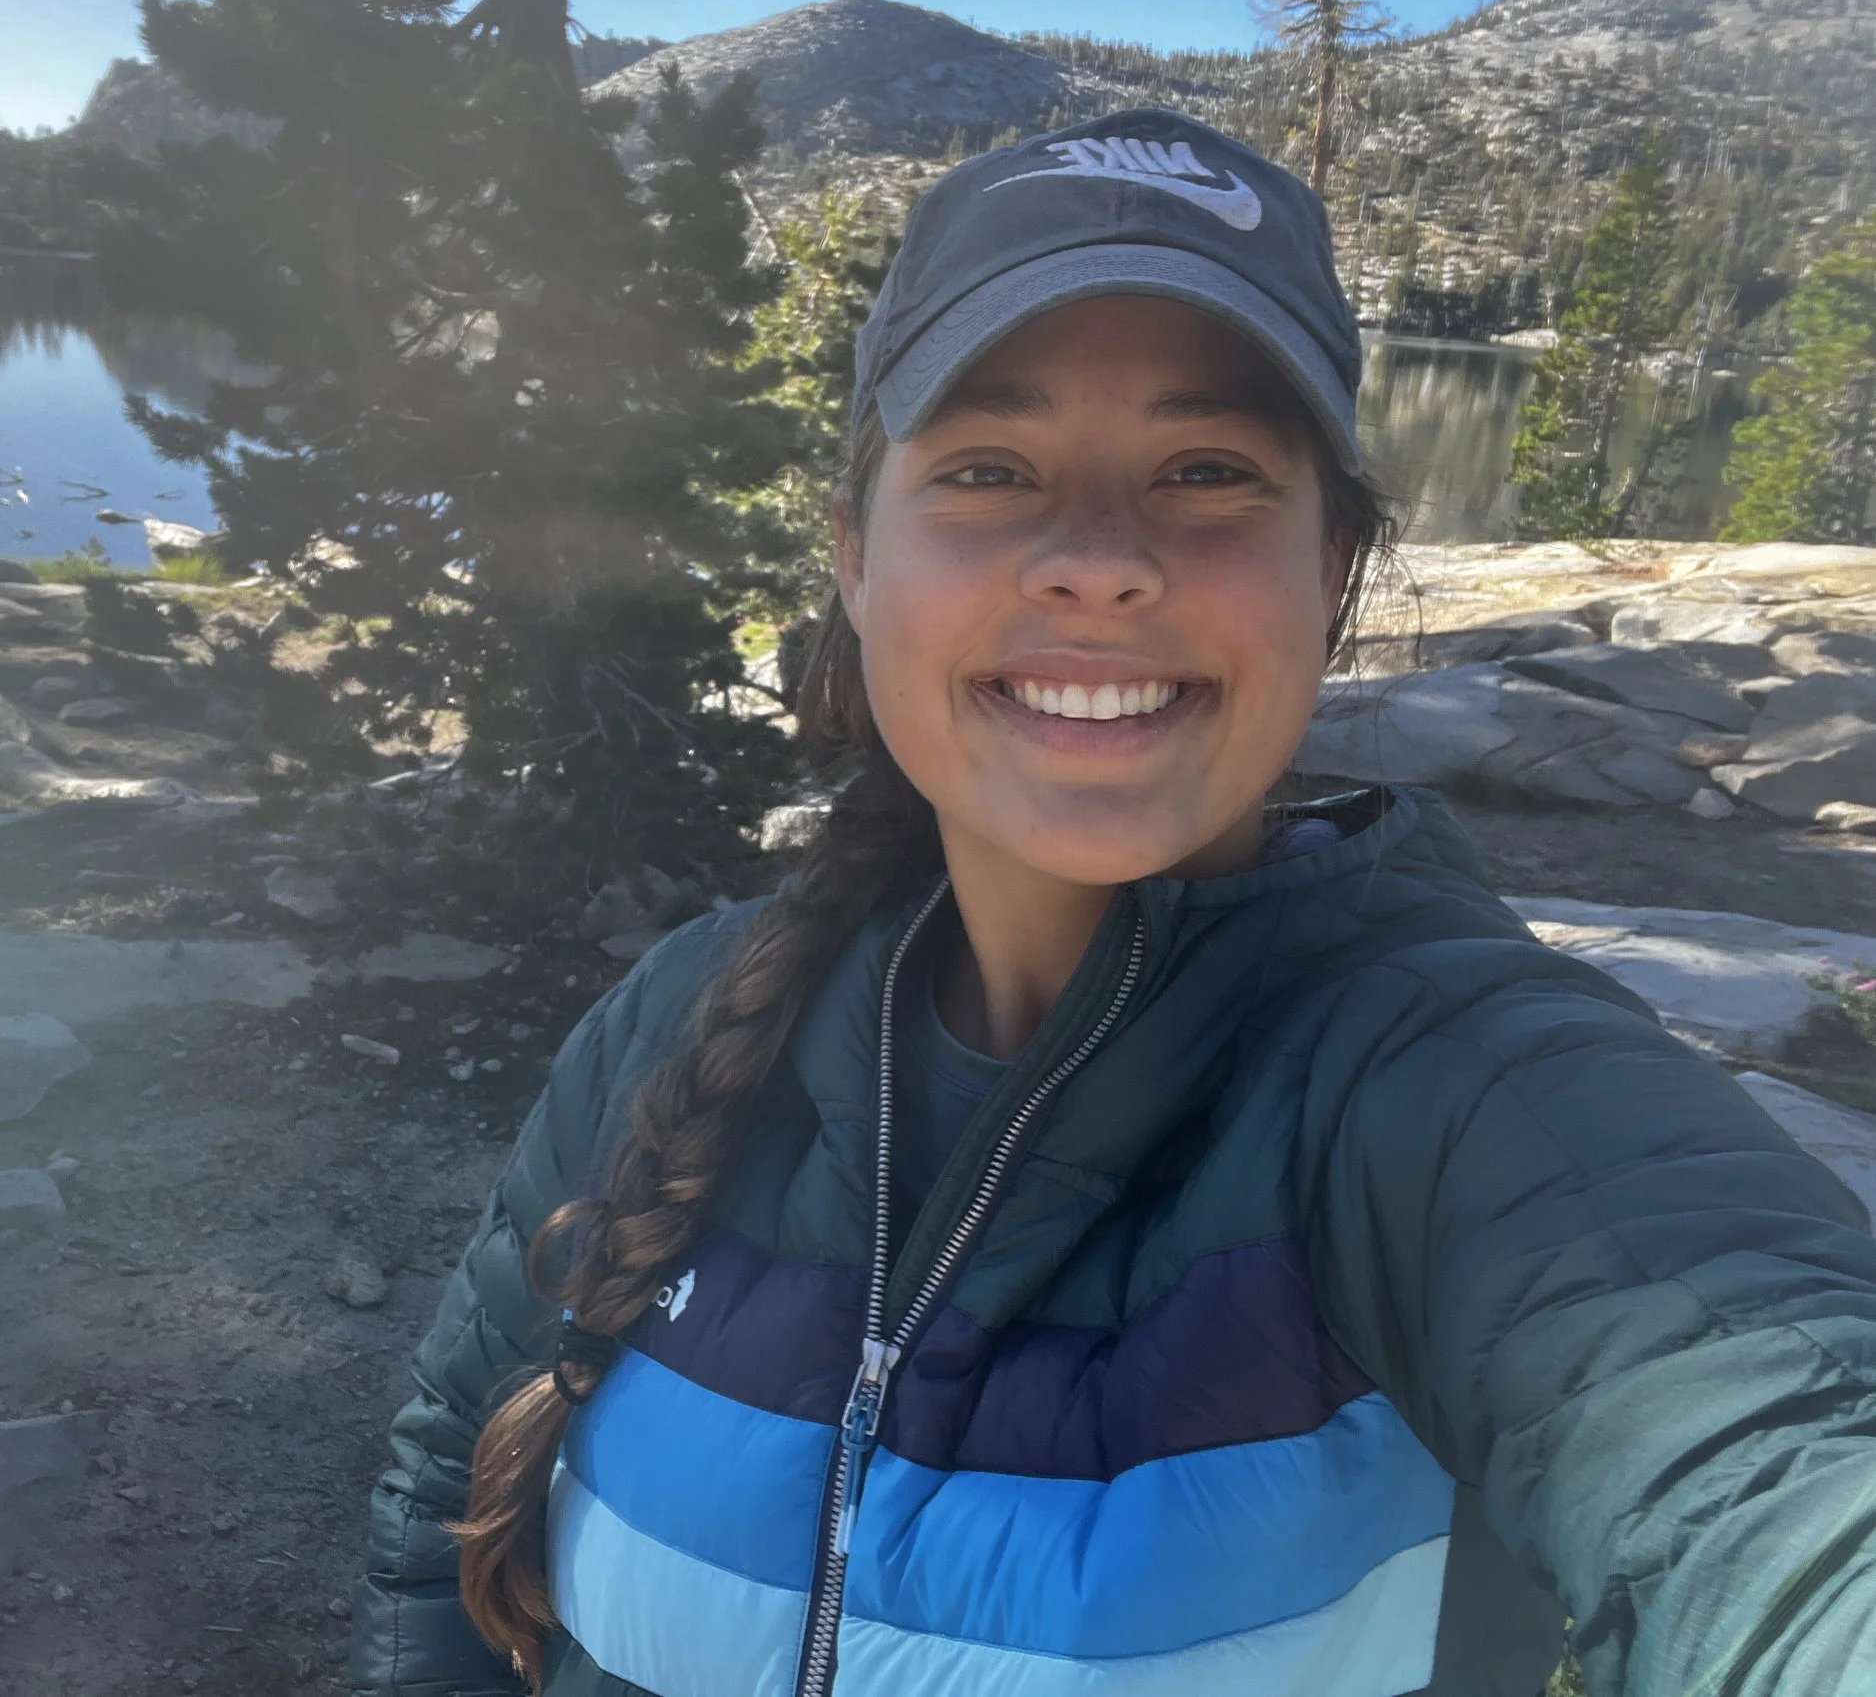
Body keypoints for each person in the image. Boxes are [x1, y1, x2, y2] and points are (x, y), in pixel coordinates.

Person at [347, 108, 1876, 1697]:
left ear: (1333, 569)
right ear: (857, 557)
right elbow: (436, 1520)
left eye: (1207, 470)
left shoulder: (1459, 1098)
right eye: (989, 467)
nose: (1096, 561)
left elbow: (1776, 1455)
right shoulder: (675, 1019)